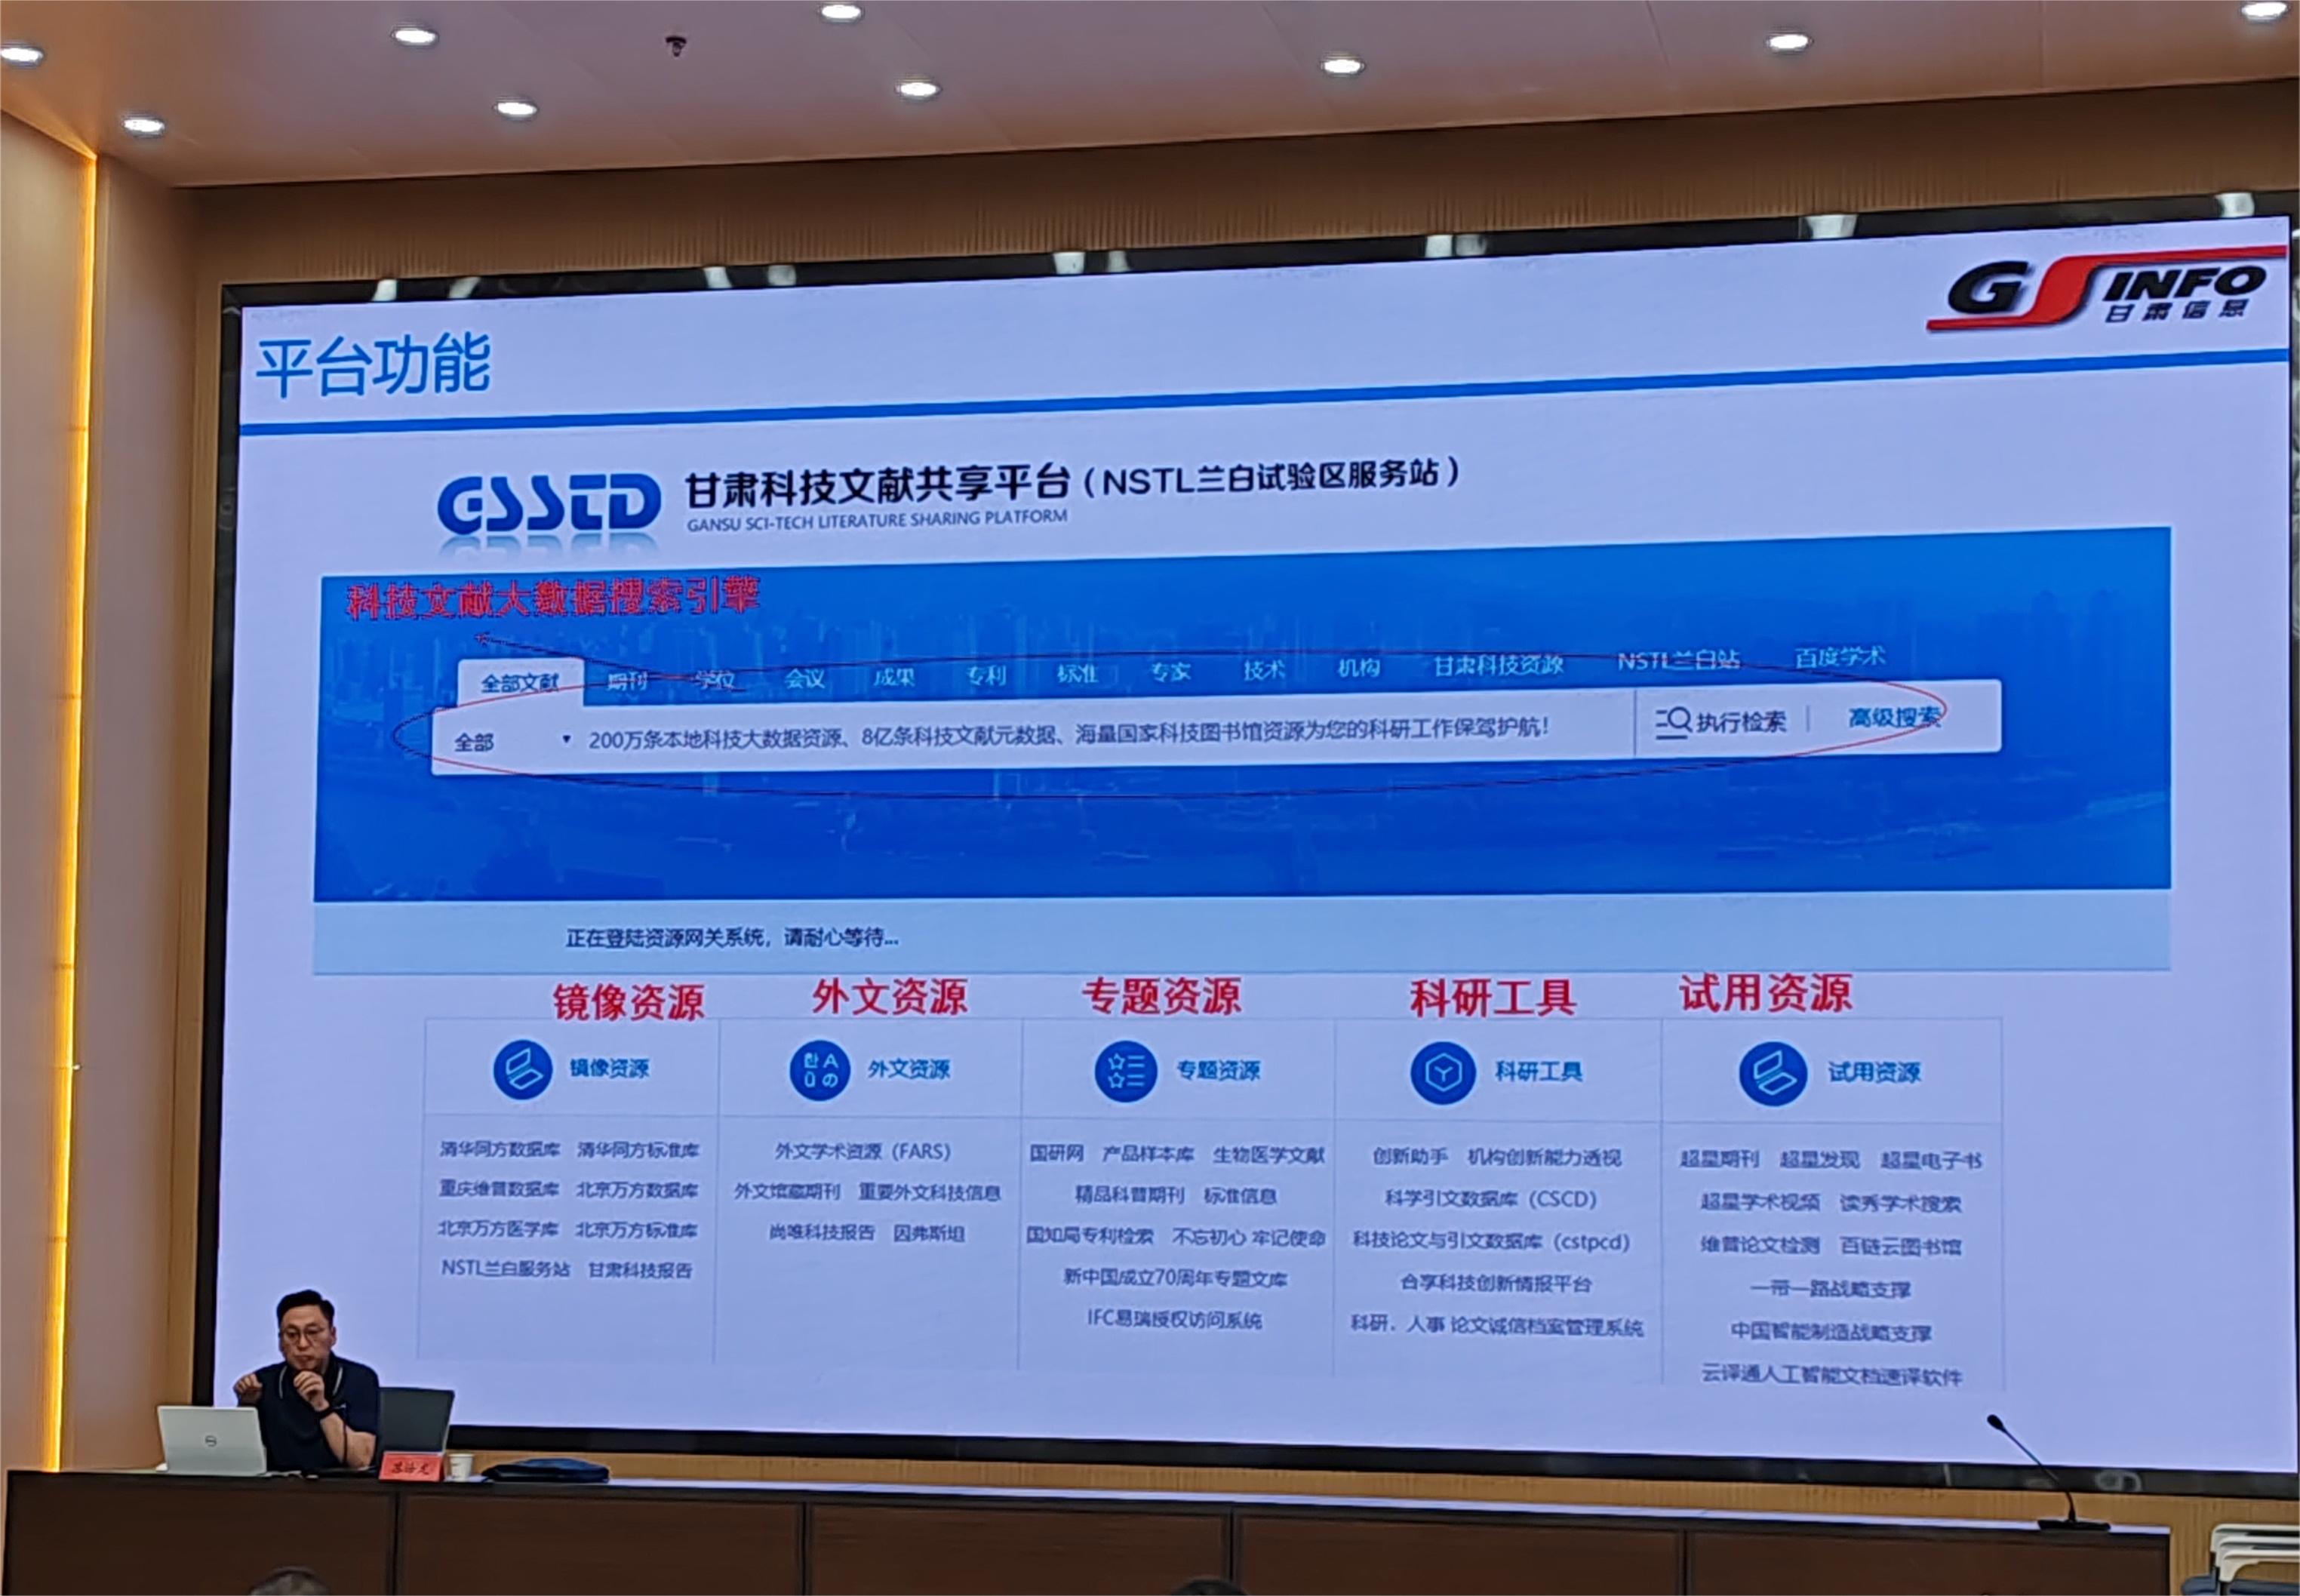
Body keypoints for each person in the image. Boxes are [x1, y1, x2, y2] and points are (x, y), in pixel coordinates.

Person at [231, 1290, 380, 1471]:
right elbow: (237, 1461)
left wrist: (322, 1406)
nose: (302, 1344)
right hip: (278, 1486)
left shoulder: (359, 1379)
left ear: (333, 1336)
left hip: (340, 1486)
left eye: (312, 1332)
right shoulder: (263, 1382)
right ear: (280, 1342)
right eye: (292, 1334)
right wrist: (246, 1407)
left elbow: (360, 1461)